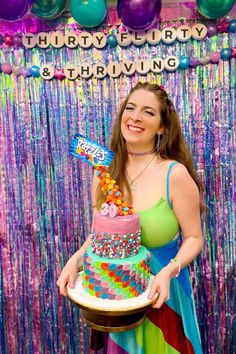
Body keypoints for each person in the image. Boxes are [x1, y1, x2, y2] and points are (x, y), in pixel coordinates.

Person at [57, 82, 204, 354]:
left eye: (148, 112)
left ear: (162, 126)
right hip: (116, 298)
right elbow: (99, 236)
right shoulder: (104, 172)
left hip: (163, 294)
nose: (135, 117)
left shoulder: (175, 174)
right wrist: (74, 260)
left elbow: (194, 238)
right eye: (130, 108)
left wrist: (169, 271)